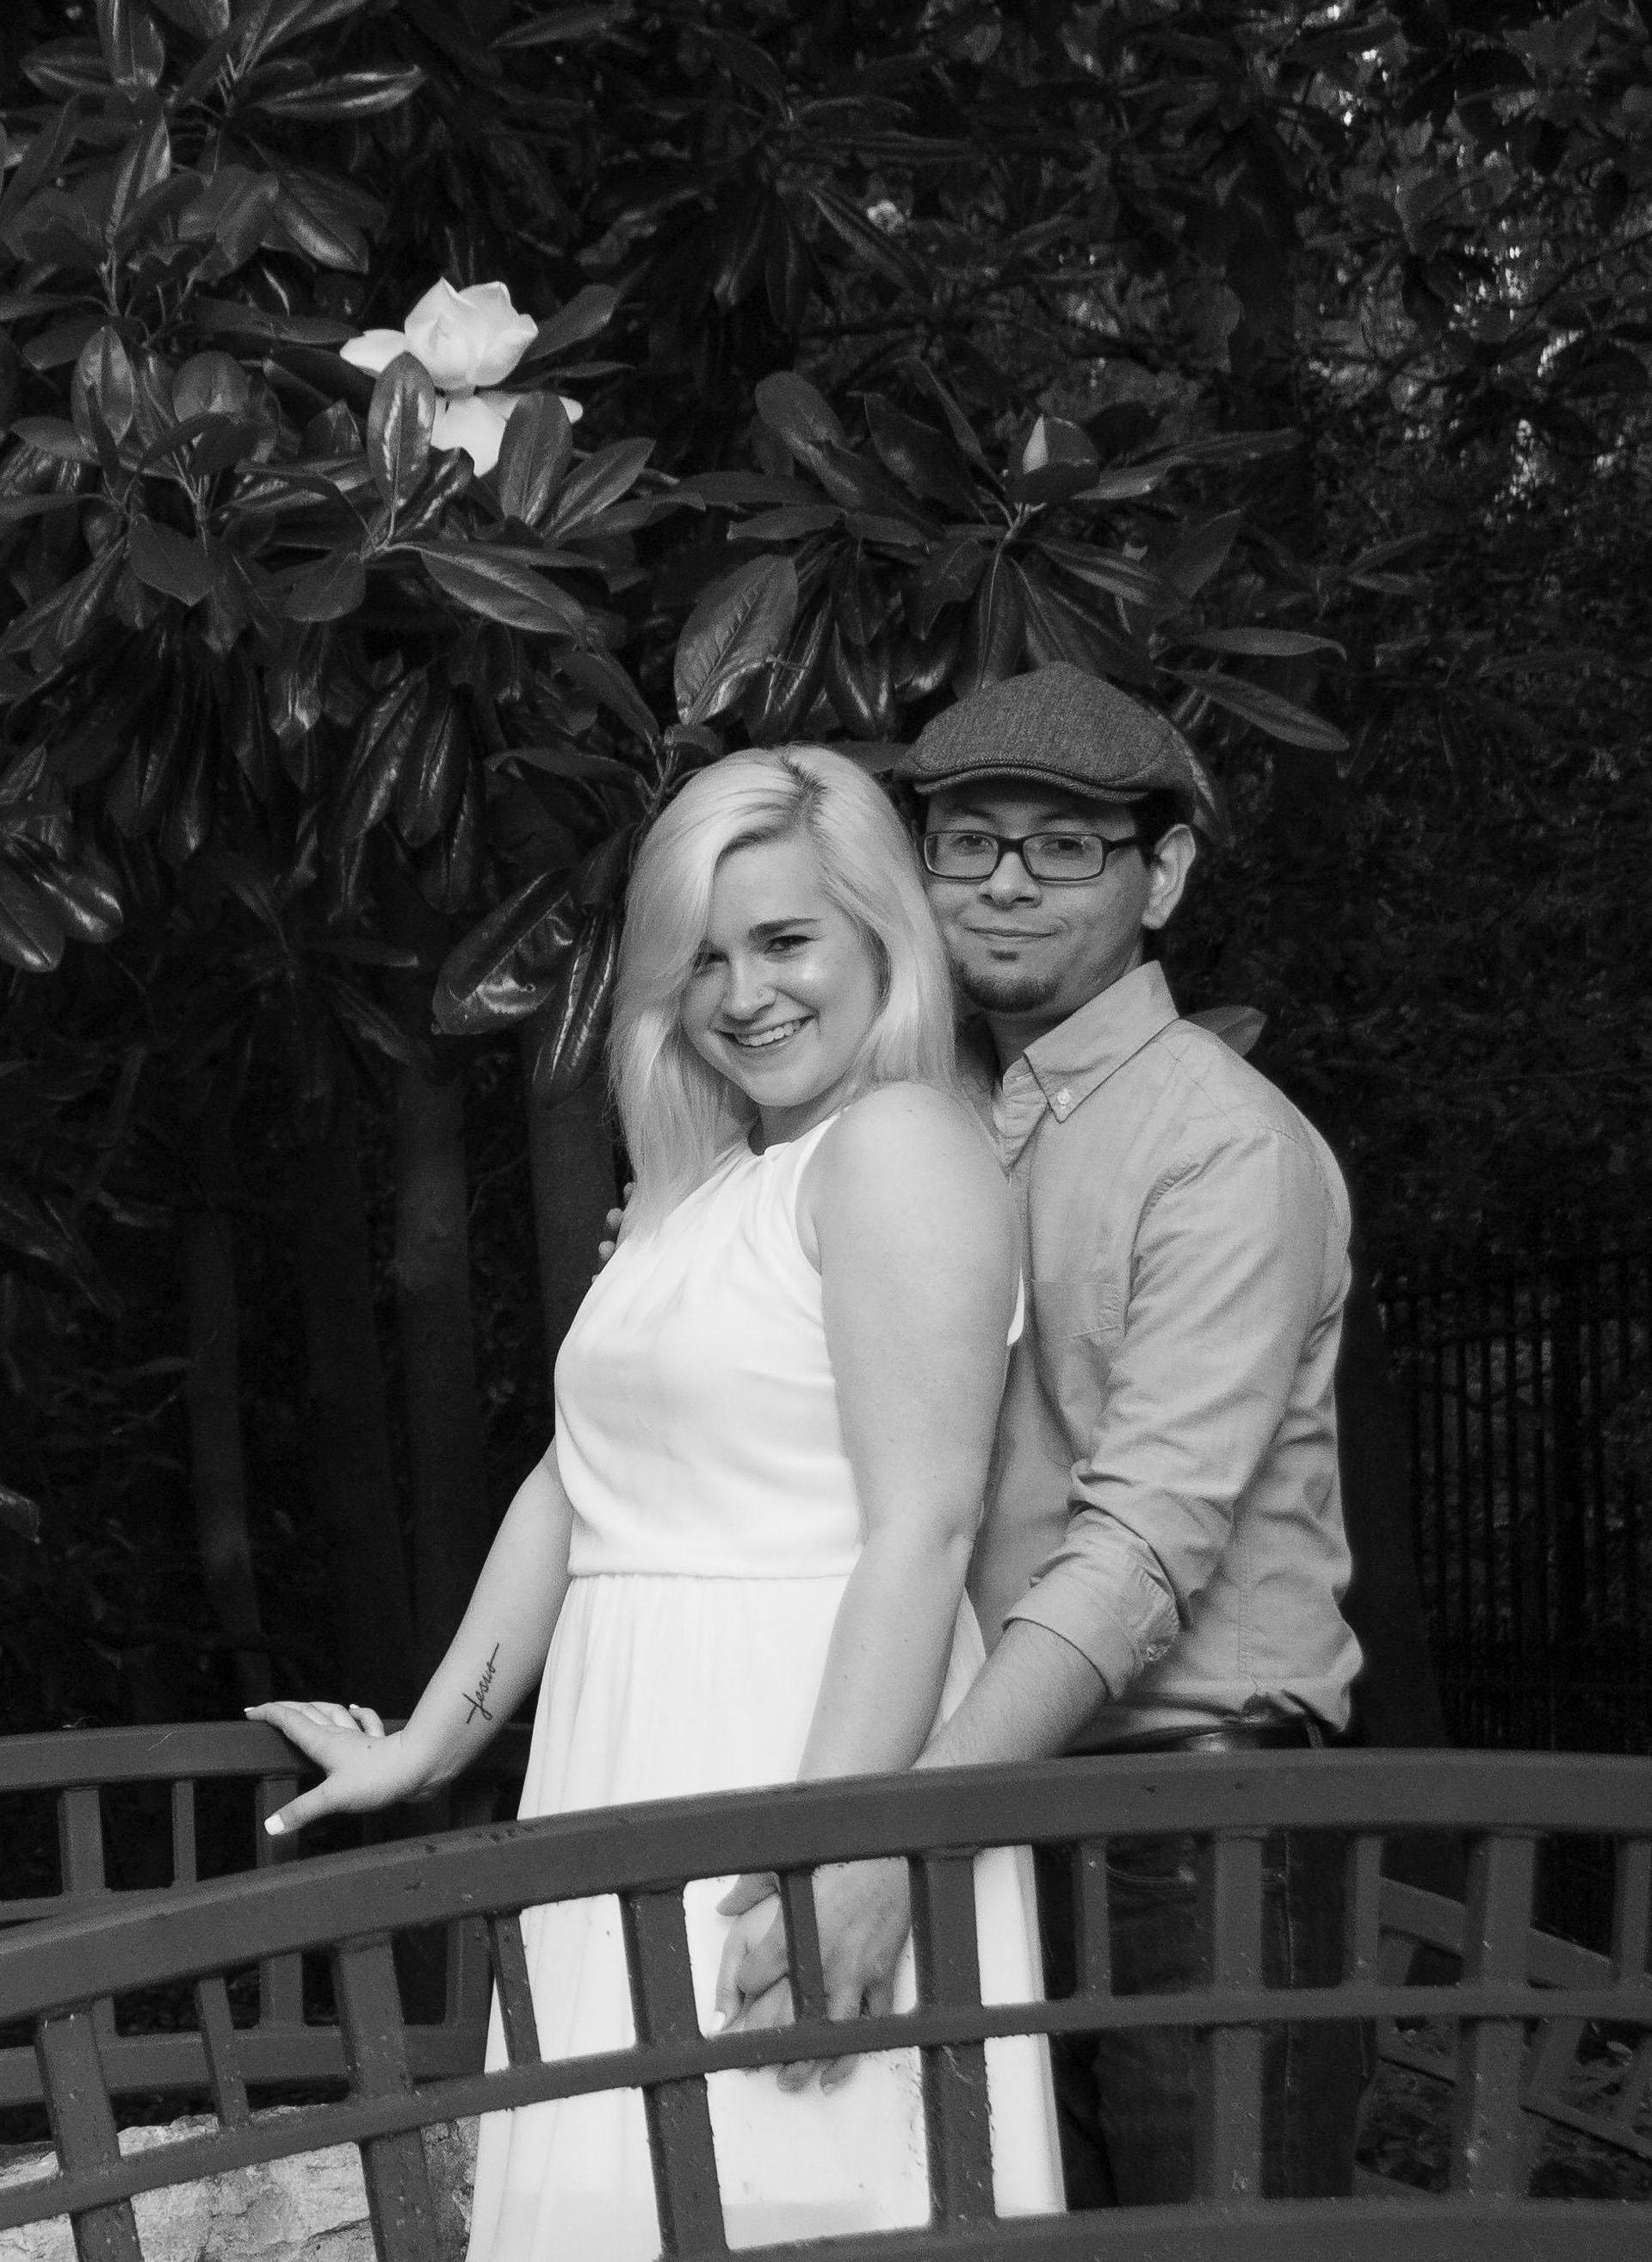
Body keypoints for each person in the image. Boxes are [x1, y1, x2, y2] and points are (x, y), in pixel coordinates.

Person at [251, 745, 1063, 2257]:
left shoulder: (897, 1146)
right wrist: (427, 1742)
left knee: (789, 2184)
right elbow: (579, 1482)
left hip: (798, 1740)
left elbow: (924, 1527)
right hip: (625, 1741)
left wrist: (838, 1853)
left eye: (783, 939)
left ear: (880, 934)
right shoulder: (696, 1190)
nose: (742, 993)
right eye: (698, 956)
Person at [713, 663, 1370, 2207]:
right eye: (967, 841)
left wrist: (896, 1832)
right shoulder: (919, 1123)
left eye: (1064, 845)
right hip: (1007, 1791)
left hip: (1194, 1818)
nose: (1004, 882)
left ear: (1163, 874)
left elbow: (1142, 1545)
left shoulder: (1222, 1146)